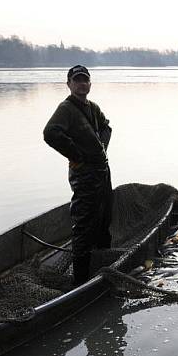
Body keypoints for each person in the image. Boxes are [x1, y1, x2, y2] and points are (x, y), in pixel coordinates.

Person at [43, 65, 113, 286]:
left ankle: (104, 262)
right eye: (77, 80)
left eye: (85, 80)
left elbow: (106, 127)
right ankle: (80, 279)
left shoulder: (93, 107)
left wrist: (101, 146)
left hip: (102, 171)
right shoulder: (66, 108)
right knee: (83, 223)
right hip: (83, 174)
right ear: (69, 84)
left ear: (90, 84)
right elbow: (50, 133)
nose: (82, 83)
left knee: (104, 217)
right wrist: (77, 155)